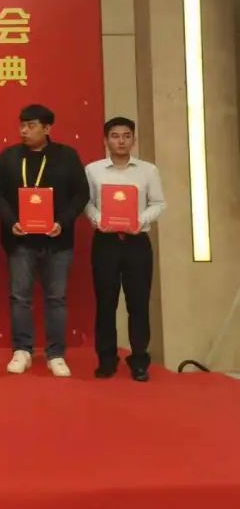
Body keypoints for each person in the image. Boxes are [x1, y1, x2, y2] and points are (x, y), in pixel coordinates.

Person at [0, 104, 90, 377]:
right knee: (20, 297)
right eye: (22, 125)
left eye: (31, 125)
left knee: (56, 298)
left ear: (47, 128)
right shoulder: (10, 157)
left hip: (57, 240)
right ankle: (21, 350)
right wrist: (11, 221)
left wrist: (63, 222)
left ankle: (55, 354)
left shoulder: (67, 156)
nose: (24, 130)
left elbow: (81, 194)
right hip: (21, 241)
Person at [84, 117, 166, 382]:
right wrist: (99, 220)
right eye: (115, 136)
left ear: (133, 139)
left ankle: (139, 360)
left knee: (138, 303)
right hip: (105, 242)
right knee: (105, 303)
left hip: (137, 243)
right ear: (105, 140)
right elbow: (87, 202)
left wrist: (138, 220)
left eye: (126, 136)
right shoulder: (93, 170)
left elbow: (159, 203)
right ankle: (106, 360)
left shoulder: (148, 171)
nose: (121, 141)